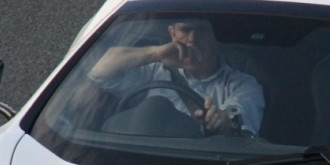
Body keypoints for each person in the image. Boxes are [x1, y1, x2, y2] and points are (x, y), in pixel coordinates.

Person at [88, 19, 264, 137]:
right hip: (142, 158)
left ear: (216, 37)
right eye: (185, 30)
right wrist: (156, 53)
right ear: (172, 33)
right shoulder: (154, 71)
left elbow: (238, 116)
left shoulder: (242, 84)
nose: (192, 39)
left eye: (202, 30)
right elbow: (99, 72)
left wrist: (223, 121)